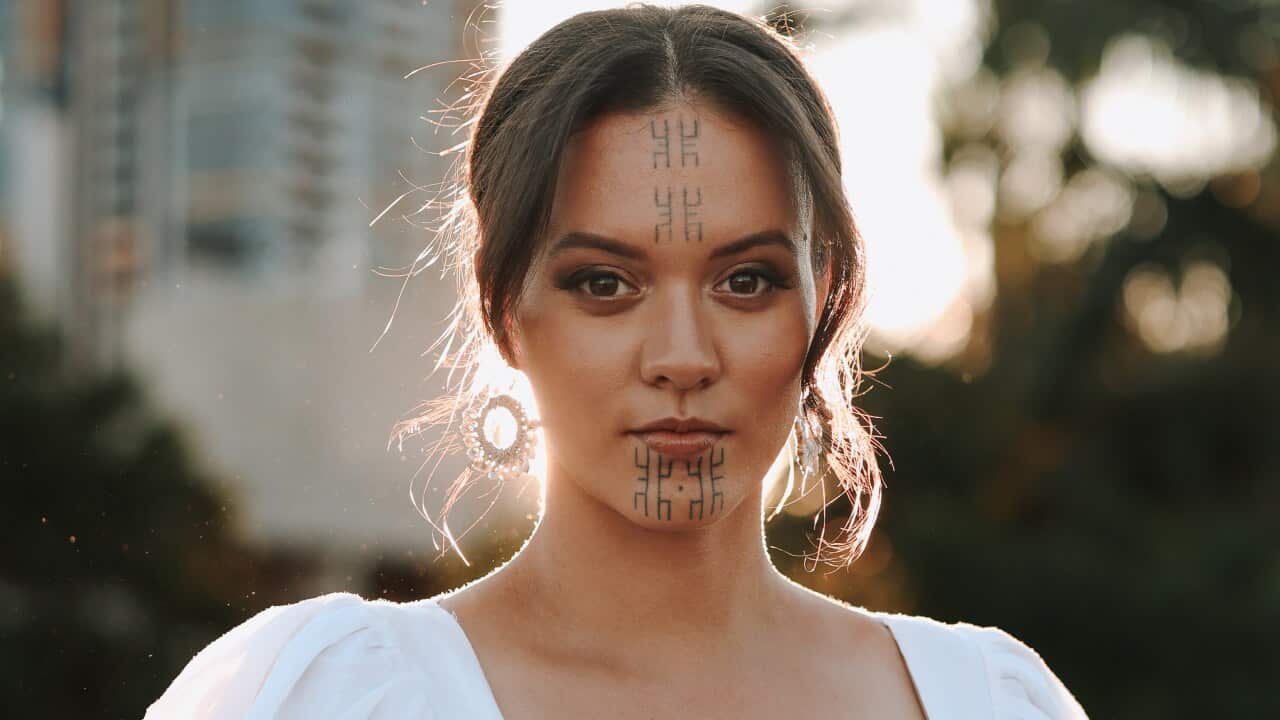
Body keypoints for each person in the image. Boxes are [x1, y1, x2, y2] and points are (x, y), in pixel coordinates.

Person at [146, 4, 1088, 718]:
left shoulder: (984, 701)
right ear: (503, 307)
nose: (682, 357)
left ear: (823, 295)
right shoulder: (330, 698)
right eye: (604, 284)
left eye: (747, 281)